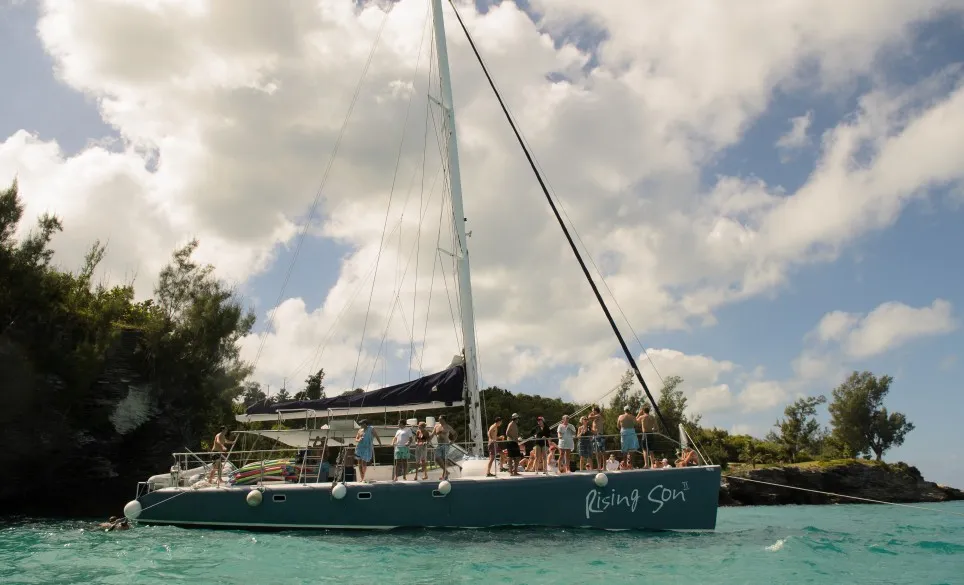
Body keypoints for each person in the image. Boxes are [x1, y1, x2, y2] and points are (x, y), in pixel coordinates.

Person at [433, 415, 457, 480]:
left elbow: (455, 434)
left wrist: (452, 441)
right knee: (437, 458)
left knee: (444, 460)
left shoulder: (448, 427)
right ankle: (446, 471)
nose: (438, 419)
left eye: (440, 418)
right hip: (439, 445)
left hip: (446, 444)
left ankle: (445, 475)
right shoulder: (436, 426)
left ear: (443, 419)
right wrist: (427, 441)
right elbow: (432, 434)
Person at [637, 404, 657, 468]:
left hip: (645, 434)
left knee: (644, 450)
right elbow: (656, 427)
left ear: (643, 411)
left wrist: (639, 413)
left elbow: (635, 421)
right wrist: (652, 429)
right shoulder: (652, 417)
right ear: (649, 411)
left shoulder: (642, 417)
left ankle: (646, 464)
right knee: (651, 450)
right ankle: (652, 465)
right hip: (651, 434)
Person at [588, 406, 606, 470]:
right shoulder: (594, 420)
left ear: (596, 411)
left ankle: (604, 467)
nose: (592, 412)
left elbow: (589, 417)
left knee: (602, 452)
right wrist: (590, 430)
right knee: (597, 452)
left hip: (599, 435)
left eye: (593, 410)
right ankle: (599, 466)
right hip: (594, 436)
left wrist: (590, 414)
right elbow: (594, 430)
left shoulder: (598, 415)